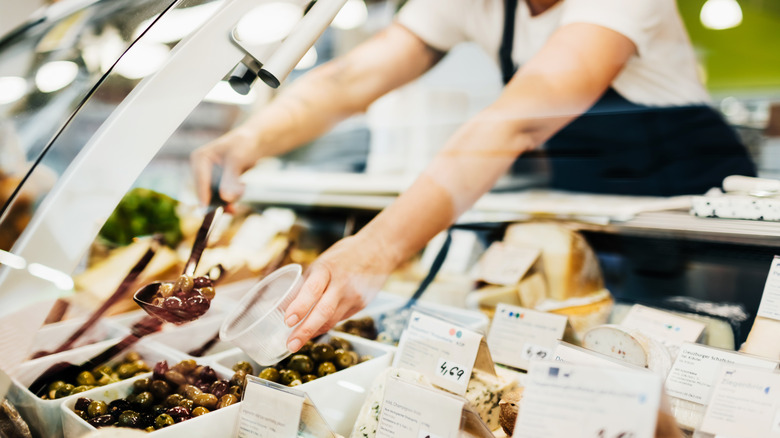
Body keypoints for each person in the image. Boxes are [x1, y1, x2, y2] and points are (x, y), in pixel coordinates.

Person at [191, 0, 755, 352]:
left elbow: (514, 125)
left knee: (707, 353)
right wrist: (249, 140)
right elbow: (353, 79)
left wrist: (377, 249)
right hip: (588, 215)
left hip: (694, 221)